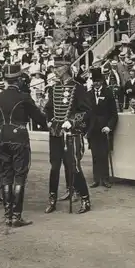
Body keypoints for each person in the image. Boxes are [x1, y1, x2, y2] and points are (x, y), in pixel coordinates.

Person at [0, 64, 48, 227]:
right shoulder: (24, 97)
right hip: (19, 138)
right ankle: (16, 216)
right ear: (18, 79)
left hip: (1, 139)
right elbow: (39, 118)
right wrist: (47, 123)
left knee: (6, 176)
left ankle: (7, 216)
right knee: (20, 177)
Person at [44, 57, 92, 214]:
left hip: (72, 134)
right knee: (55, 167)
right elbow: (48, 108)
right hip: (56, 133)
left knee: (74, 167)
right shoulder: (53, 88)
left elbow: (86, 111)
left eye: (58, 68)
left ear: (65, 68)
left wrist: (72, 121)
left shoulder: (78, 88)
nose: (55, 71)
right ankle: (52, 199)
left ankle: (85, 198)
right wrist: (50, 120)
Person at [86, 66, 119, 189]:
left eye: (98, 81)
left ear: (102, 81)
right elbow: (86, 113)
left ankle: (105, 179)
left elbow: (114, 114)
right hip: (93, 129)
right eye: (94, 81)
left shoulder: (108, 93)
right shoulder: (88, 94)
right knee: (95, 155)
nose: (96, 83)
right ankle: (96, 179)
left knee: (104, 154)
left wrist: (109, 127)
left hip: (104, 129)